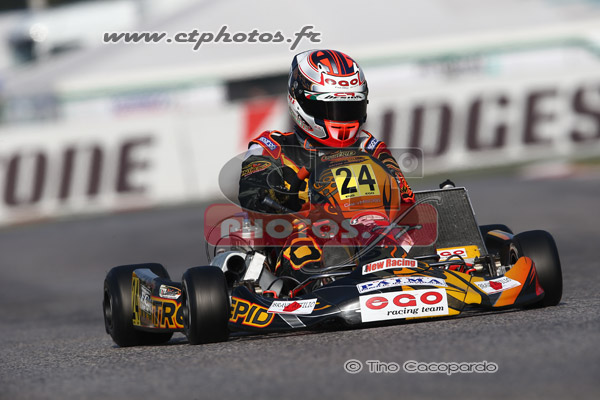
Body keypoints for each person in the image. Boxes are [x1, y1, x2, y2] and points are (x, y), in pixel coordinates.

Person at [238, 49, 415, 294]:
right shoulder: (272, 147)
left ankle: (408, 272)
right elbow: (251, 190)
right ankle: (323, 287)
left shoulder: (370, 147)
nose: (341, 118)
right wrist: (273, 190)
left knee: (412, 236)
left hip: (372, 232)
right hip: (302, 236)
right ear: (300, 102)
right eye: (330, 108)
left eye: (348, 109)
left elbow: (405, 198)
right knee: (302, 246)